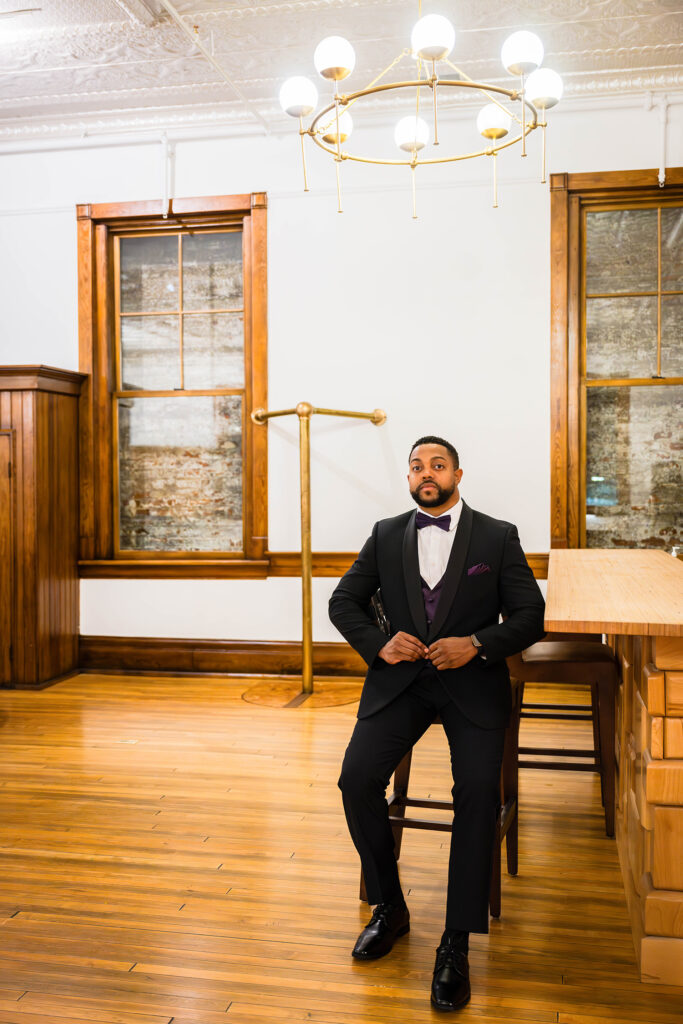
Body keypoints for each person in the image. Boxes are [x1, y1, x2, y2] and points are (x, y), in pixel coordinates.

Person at [329, 436, 545, 1012]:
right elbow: (343, 602)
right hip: (401, 684)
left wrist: (476, 644)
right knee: (355, 780)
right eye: (417, 466)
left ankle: (456, 941)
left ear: (458, 473)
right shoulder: (384, 533)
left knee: (477, 791)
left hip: (471, 685)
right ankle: (390, 908)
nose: (427, 473)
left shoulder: (497, 536)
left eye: (438, 465)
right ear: (409, 478)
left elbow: (530, 617)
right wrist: (380, 644)